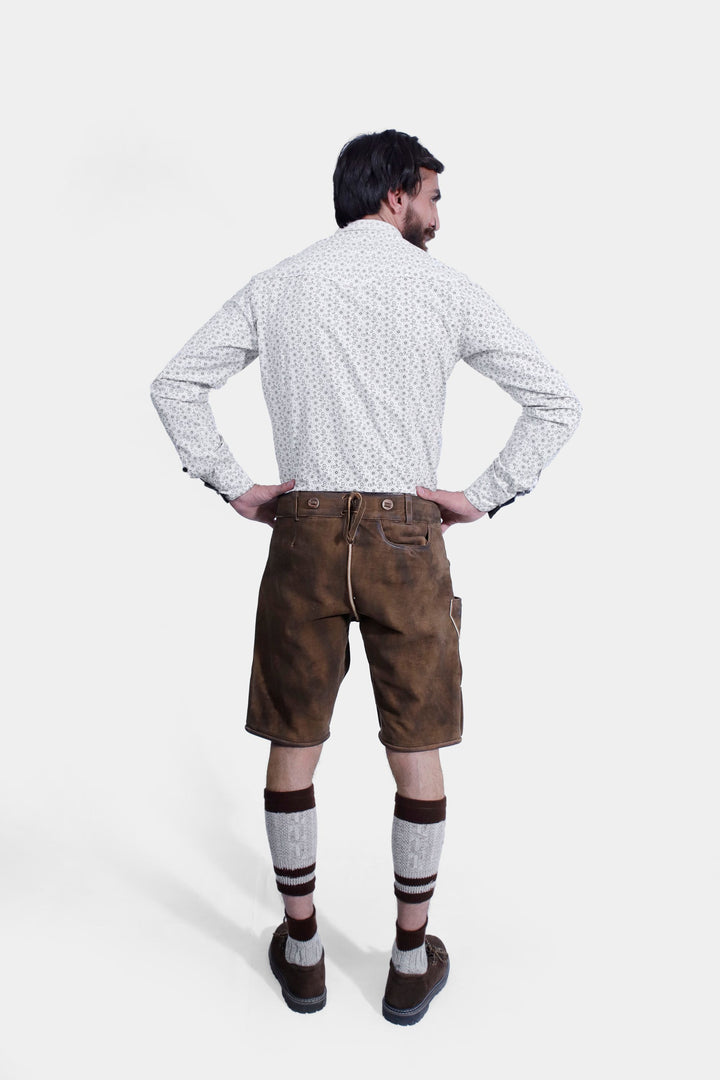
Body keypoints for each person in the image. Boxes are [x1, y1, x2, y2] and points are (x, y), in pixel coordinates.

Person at [150, 129, 582, 1024]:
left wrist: (236, 486)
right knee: (412, 747)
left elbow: (176, 383)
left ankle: (301, 951)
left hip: (304, 530)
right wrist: (483, 497)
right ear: (393, 194)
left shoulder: (281, 284)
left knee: (292, 739)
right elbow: (556, 400)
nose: (436, 211)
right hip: (406, 535)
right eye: (431, 192)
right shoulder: (442, 289)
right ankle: (410, 959)